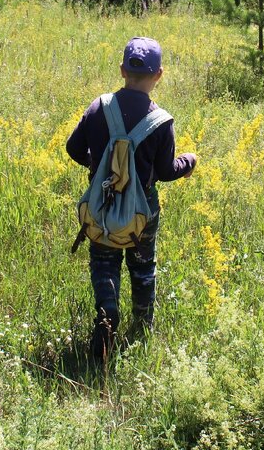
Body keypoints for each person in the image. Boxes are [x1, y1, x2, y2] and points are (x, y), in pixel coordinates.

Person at [65, 36, 197, 360]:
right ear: (159, 74)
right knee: (142, 266)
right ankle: (143, 326)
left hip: (102, 204)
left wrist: (101, 170)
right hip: (143, 211)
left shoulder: (99, 107)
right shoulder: (161, 121)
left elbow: (72, 149)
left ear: (123, 70)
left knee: (104, 263)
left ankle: (107, 317)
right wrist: (188, 162)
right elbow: (165, 171)